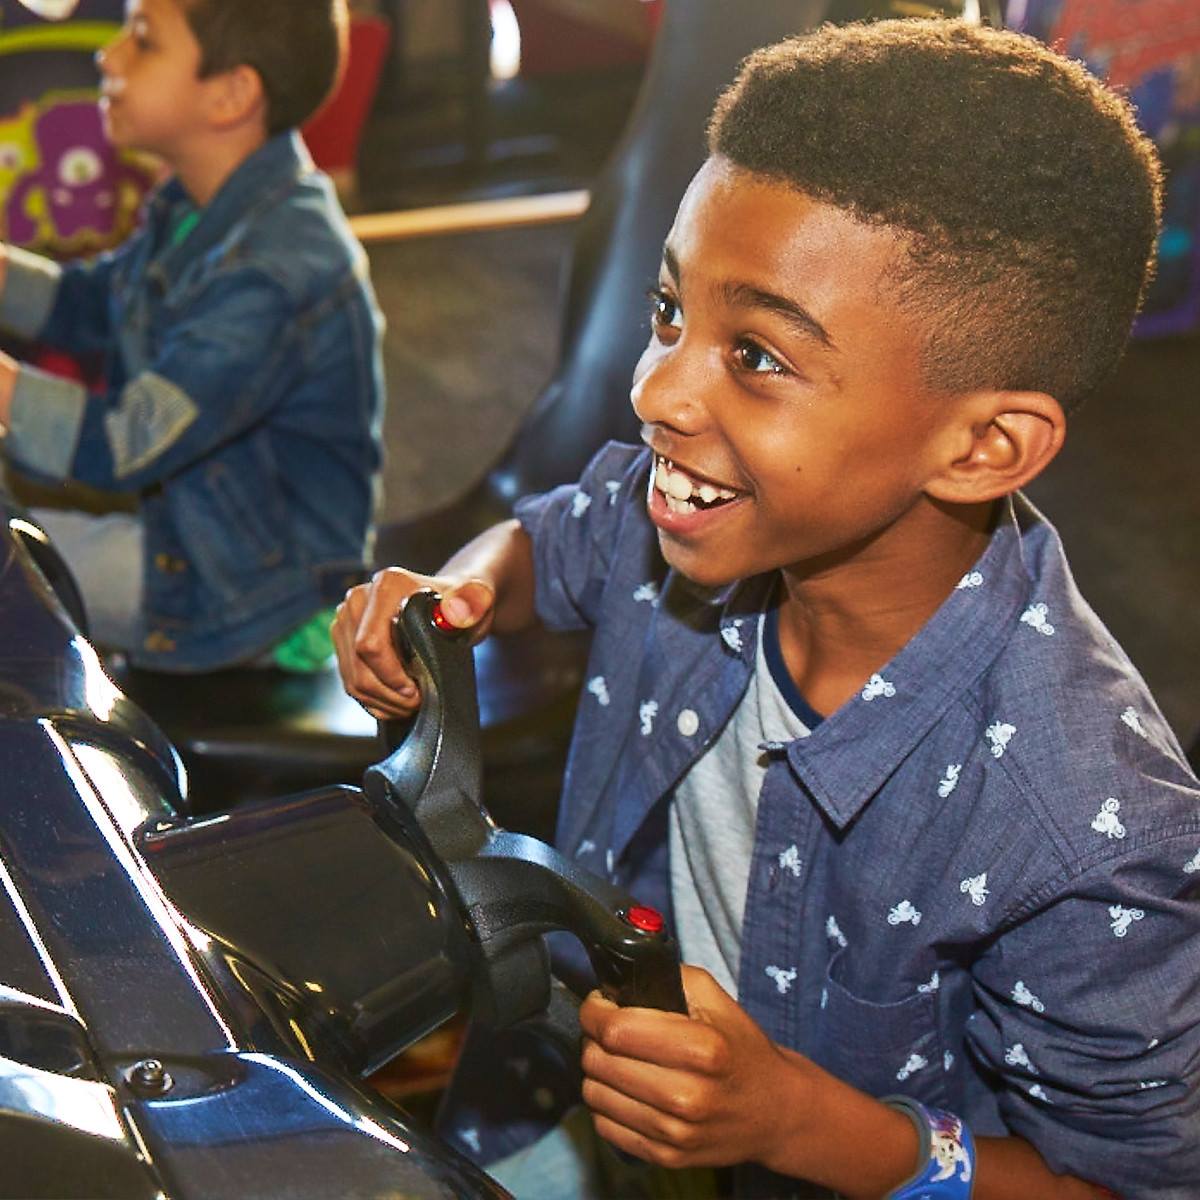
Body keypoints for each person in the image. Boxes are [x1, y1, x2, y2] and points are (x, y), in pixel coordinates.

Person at [333, 19, 1200, 1200]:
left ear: (984, 445)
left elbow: (1125, 1185)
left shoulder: (1087, 837)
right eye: (669, 312)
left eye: (757, 355)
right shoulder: (694, 517)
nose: (656, 389)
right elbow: (550, 539)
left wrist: (799, 1124)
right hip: (578, 1104)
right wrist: (458, 593)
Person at [0, 0, 384, 672]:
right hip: (196, 526)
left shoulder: (274, 272)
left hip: (252, 596)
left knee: (9, 569)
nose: (108, 54)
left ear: (231, 95)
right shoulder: (194, 206)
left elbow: (126, 442)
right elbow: (90, 305)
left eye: (143, 40)